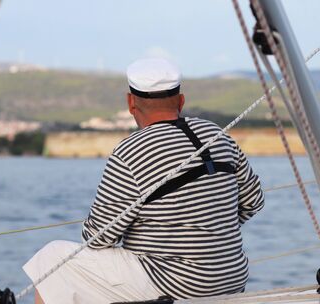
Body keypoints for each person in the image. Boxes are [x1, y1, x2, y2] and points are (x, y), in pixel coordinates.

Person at [23, 58, 264, 304]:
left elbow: (98, 237)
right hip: (232, 277)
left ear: (130, 102)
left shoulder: (130, 151)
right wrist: (207, 228)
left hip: (177, 284)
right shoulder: (218, 134)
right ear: (181, 100)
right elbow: (254, 201)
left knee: (52, 259)